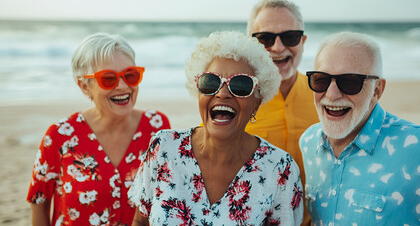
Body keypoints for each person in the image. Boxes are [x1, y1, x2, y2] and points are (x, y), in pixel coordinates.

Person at [128, 31, 303, 225]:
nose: (222, 93)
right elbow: (140, 222)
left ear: (257, 102)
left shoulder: (280, 170)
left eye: (241, 85)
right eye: (210, 82)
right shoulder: (163, 147)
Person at [26, 32, 171, 225]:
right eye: (108, 78)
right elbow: (39, 202)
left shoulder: (157, 127)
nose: (123, 86)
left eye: (130, 75)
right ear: (84, 86)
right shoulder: (59, 136)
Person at [300, 31, 420, 225]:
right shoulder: (308, 142)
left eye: (350, 82)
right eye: (321, 80)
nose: (332, 94)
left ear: (377, 90)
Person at [246, 0, 319, 225]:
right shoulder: (235, 99)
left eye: (290, 37)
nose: (278, 47)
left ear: (303, 40)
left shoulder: (326, 95)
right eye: (266, 38)